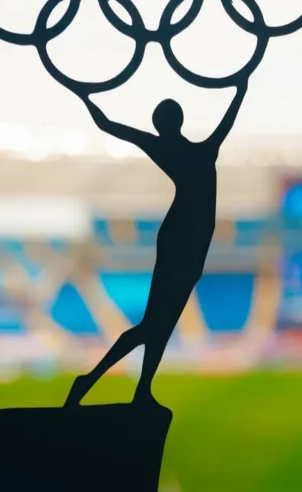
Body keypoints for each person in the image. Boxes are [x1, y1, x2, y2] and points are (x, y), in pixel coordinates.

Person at [64, 83, 248, 406]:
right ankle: (94, 381)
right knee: (153, 325)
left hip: (185, 243)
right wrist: (239, 89)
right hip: (185, 244)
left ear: (161, 126)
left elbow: (109, 126)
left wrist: (85, 98)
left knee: (160, 325)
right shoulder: (202, 151)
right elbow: (228, 120)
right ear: (178, 120)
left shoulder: (166, 148)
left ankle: (140, 390)